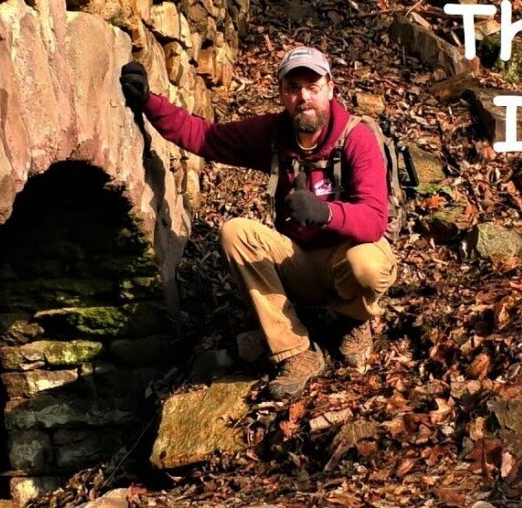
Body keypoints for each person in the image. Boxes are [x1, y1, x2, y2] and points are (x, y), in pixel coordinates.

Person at [119, 46, 398, 399]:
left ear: (330, 87)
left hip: (346, 257)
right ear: (282, 93)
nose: (304, 97)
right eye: (294, 88)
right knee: (235, 232)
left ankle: (355, 320)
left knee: (368, 265)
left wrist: (326, 213)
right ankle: (297, 352)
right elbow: (205, 138)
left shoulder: (357, 138)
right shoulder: (274, 135)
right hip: (297, 260)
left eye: (313, 86)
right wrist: (149, 103)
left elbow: (374, 220)